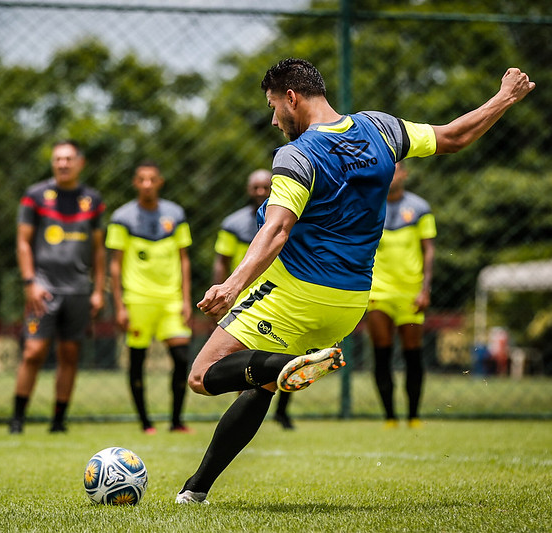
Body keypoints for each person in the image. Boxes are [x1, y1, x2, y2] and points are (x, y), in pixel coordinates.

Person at [175, 58, 534, 504]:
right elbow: (454, 136)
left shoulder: (297, 154)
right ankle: (196, 490)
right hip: (349, 303)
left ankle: (282, 367)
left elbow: (277, 229)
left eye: (272, 106)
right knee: (262, 386)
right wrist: (503, 98)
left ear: (292, 97)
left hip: (294, 294)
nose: (272, 119)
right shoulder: (380, 129)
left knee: (202, 375)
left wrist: (231, 285)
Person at [9, 140, 106, 434]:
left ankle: (59, 420)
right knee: (33, 352)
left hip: (78, 290)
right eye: (57, 159)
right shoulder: (35, 196)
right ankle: (17, 420)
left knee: (69, 354)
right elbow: (23, 242)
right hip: (44, 289)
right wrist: (30, 282)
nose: (62, 164)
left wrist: (99, 290)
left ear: (80, 162)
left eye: (68, 159)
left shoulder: (93, 199)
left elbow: (99, 251)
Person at [106, 161, 193, 434]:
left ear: (160, 182)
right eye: (141, 179)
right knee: (137, 360)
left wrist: (186, 299)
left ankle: (176, 421)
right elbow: (115, 264)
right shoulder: (122, 217)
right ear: (135, 183)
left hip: (171, 300)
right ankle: (145, 422)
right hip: (138, 300)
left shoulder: (175, 214)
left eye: (151, 179)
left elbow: (184, 260)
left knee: (181, 358)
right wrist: (118, 305)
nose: (146, 184)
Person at [213, 169, 295, 430]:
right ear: (248, 190)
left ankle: (282, 412)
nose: (260, 192)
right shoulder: (233, 224)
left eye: (265, 187)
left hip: (277, 295)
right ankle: (241, 415)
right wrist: (221, 293)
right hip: (242, 298)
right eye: (255, 187)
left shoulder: (287, 217)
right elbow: (221, 262)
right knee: (246, 359)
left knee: (288, 354)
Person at [367, 161, 436, 429]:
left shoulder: (420, 208)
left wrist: (425, 289)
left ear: (405, 174)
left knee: (412, 355)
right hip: (378, 292)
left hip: (411, 294)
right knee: (381, 354)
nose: (390, 174)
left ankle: (414, 416)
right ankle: (390, 418)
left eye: (395, 169)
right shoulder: (369, 205)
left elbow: (429, 251)